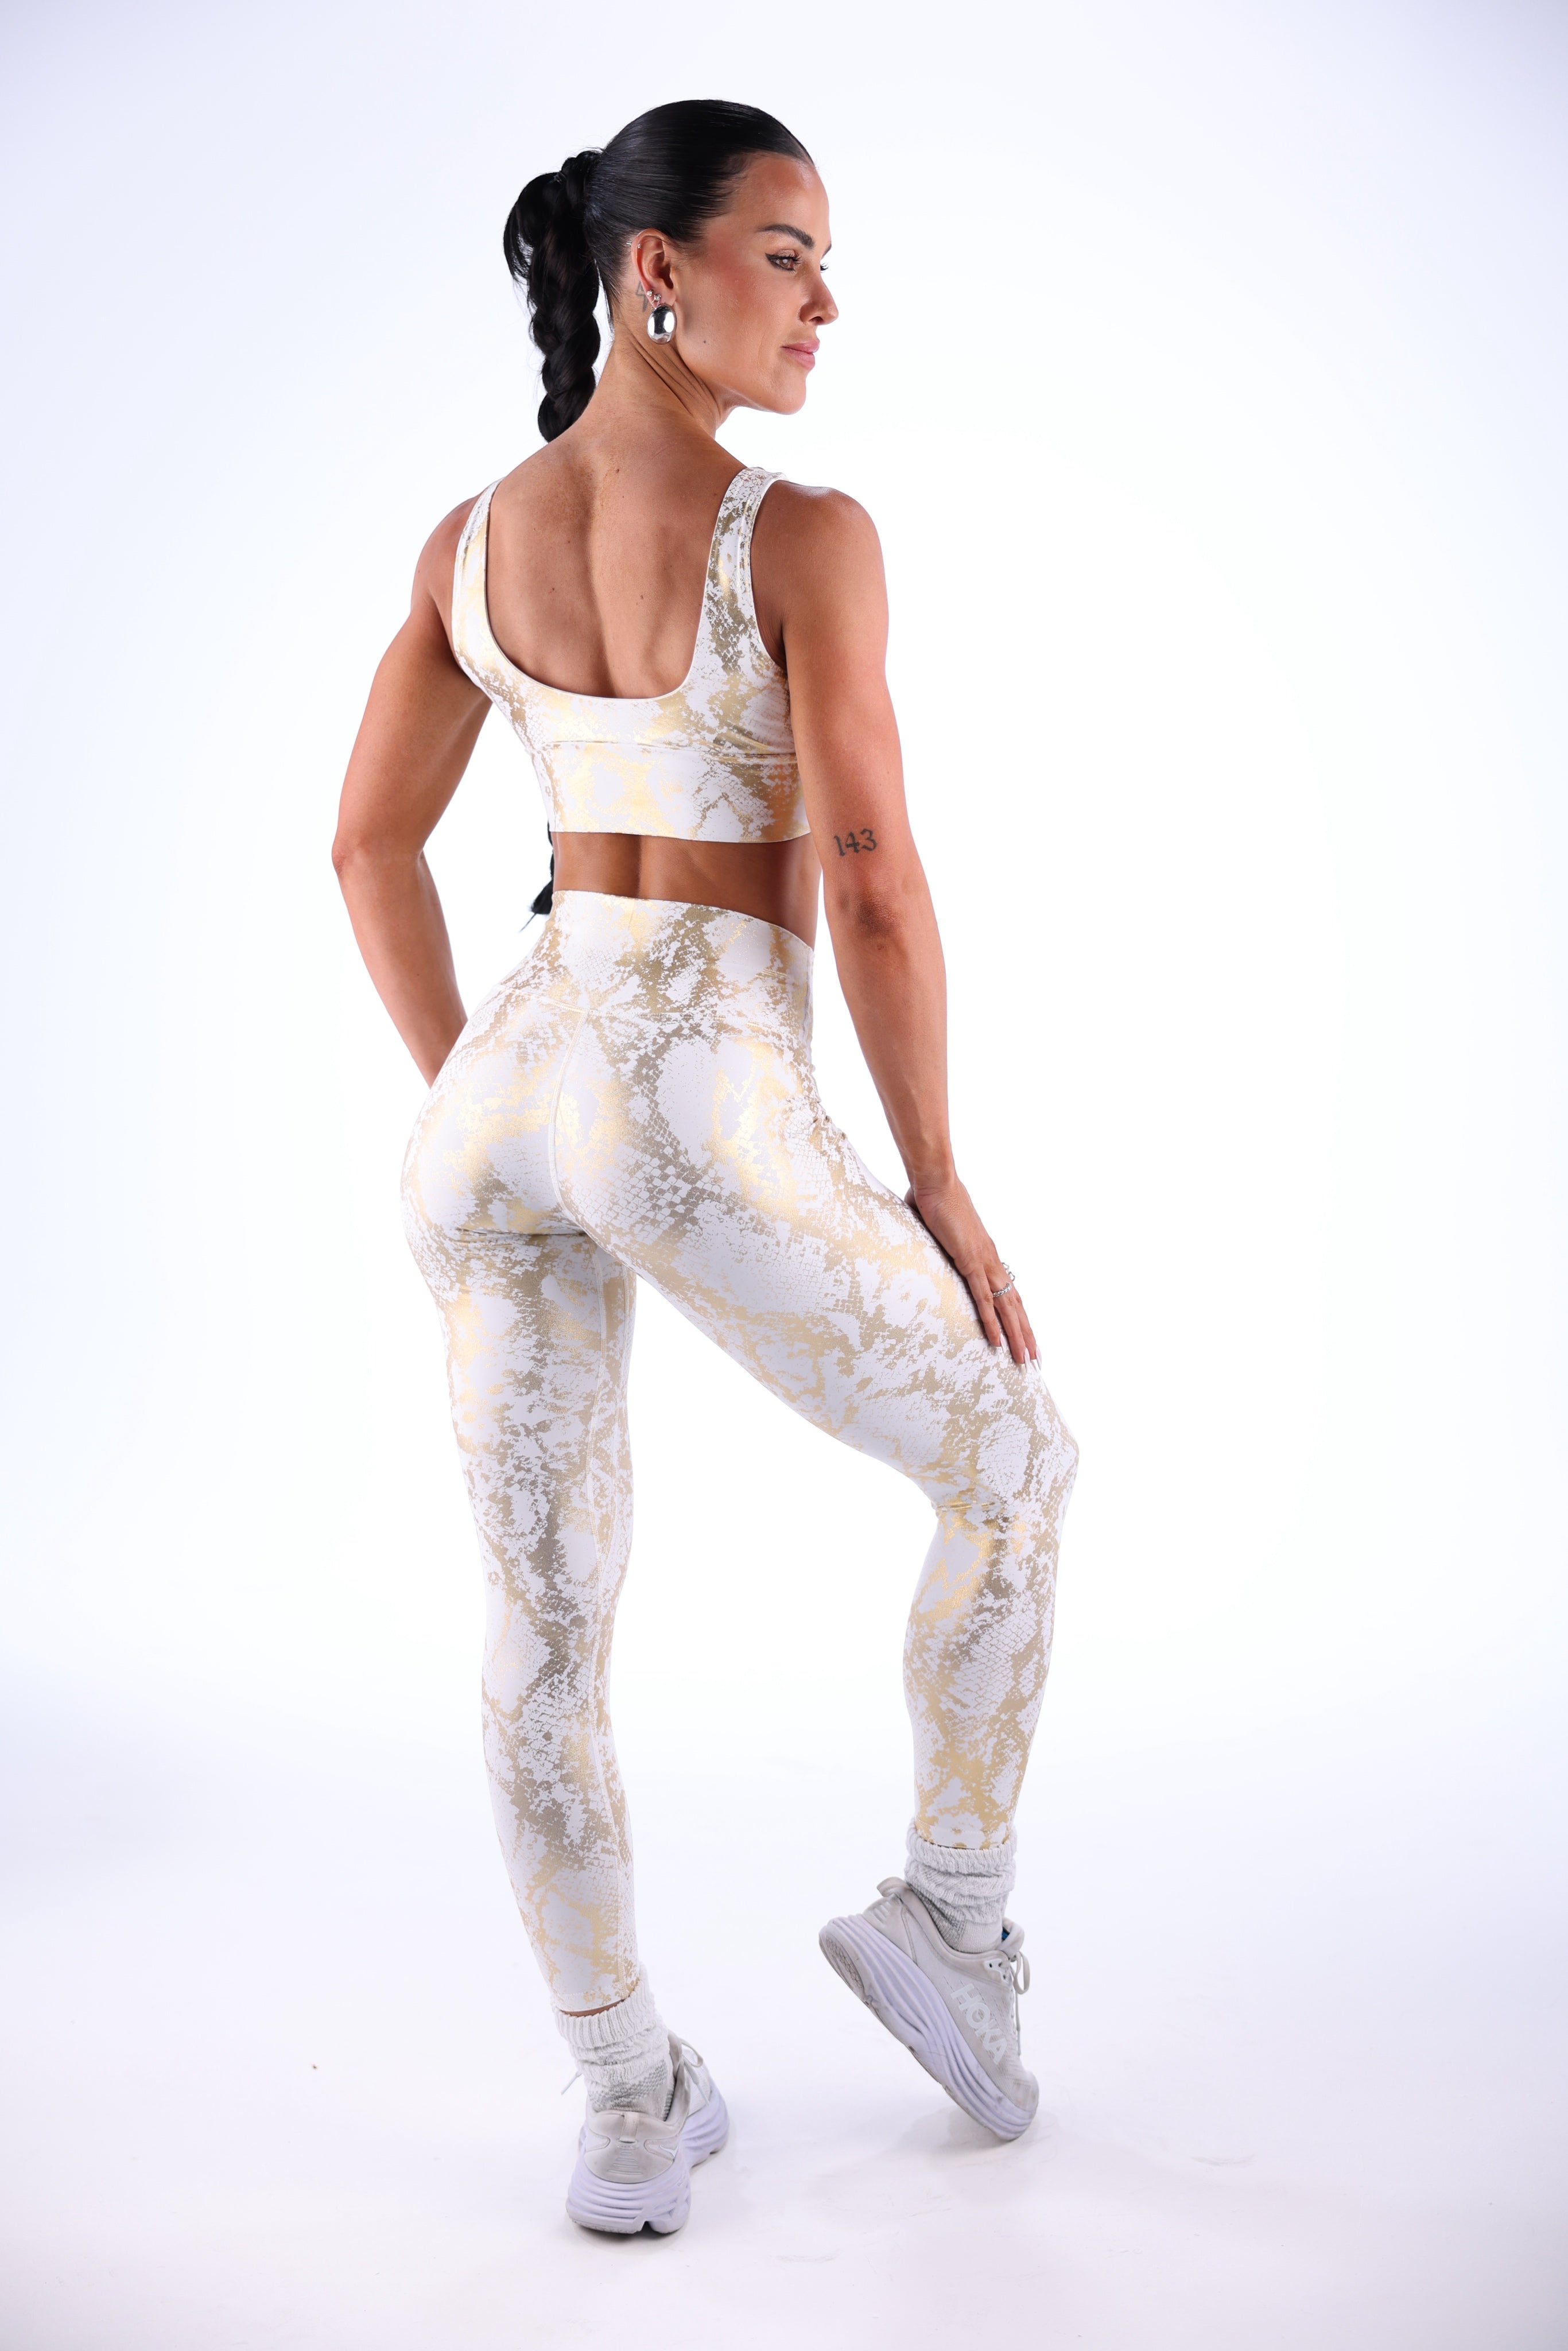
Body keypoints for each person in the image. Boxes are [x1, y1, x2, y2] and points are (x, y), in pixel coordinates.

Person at [332, 98, 1078, 2237]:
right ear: (652, 272)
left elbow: (365, 848)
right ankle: (951, 1921)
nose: (825, 302)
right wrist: (936, 1178)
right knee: (1016, 1467)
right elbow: (871, 876)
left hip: (500, 1104)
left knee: (541, 1630)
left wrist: (493, 1100)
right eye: (786, 252)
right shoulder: (800, 535)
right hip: (694, 1100)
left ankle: (627, 2102)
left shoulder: (466, 543)